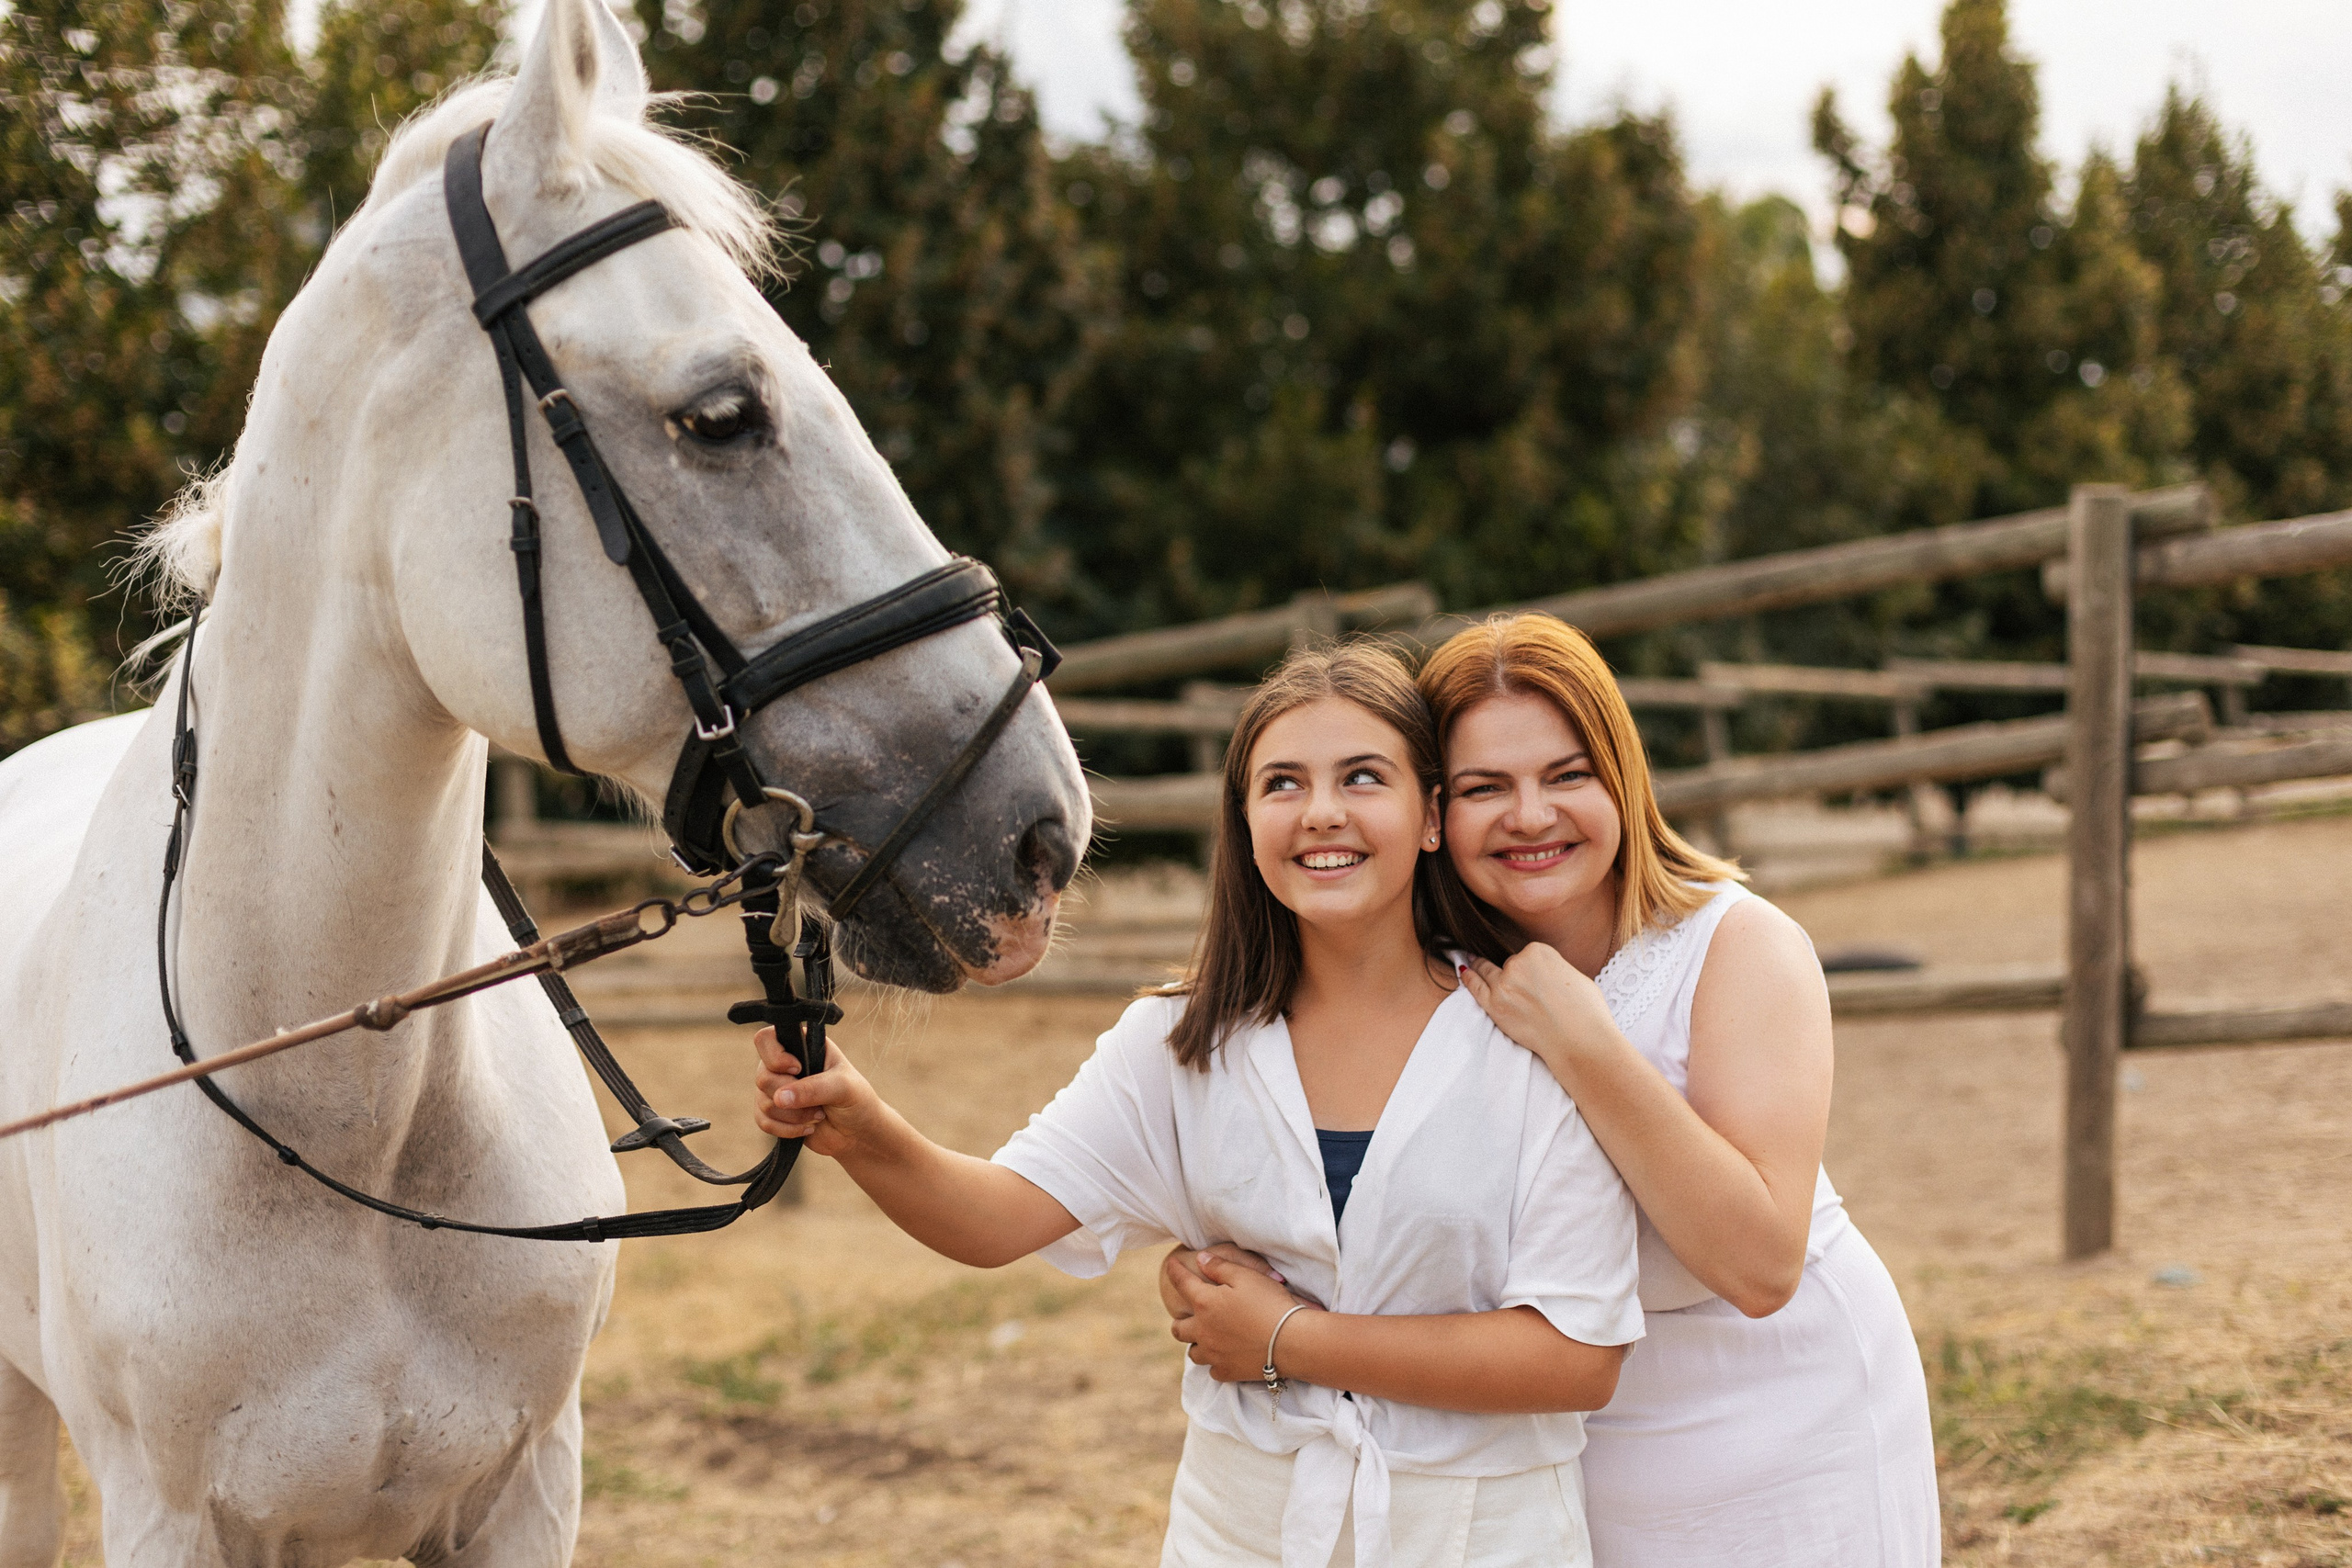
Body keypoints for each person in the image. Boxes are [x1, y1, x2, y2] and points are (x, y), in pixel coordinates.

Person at [752, 643, 1646, 1567]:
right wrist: (862, 1127)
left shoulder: (1531, 1033)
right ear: (1245, 822)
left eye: (1362, 777)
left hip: (1484, 1540)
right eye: (1283, 783)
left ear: (1429, 816)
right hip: (1240, 1532)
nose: (1321, 812)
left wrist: (1287, 1339)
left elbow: (1576, 1359)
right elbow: (992, 1220)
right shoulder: (1179, 1042)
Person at [1426, 613, 1939, 1565]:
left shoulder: (1740, 947)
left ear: (1622, 778)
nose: (1529, 815)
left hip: (1787, 1422)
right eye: (1483, 787)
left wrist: (1583, 1042)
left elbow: (1760, 1265)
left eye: (1567, 775)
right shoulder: (1436, 978)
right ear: (1433, 813)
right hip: (1565, 1445)